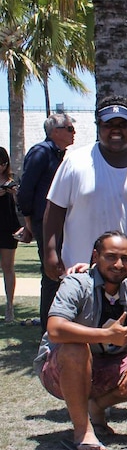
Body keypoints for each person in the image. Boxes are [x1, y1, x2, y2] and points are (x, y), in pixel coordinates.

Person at [34, 232, 127, 450]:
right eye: (111, 256)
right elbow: (54, 328)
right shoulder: (76, 283)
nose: (119, 264)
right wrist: (105, 336)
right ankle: (83, 431)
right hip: (60, 370)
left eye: (126, 258)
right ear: (96, 256)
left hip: (104, 368)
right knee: (76, 347)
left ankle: (98, 405)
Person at [42, 97, 127, 293]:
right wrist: (50, 253)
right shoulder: (75, 163)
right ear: (98, 126)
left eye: (122, 124)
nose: (116, 130)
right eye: (109, 124)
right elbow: (54, 211)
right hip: (80, 278)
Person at [17, 112, 76, 330]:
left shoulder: (61, 155)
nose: (74, 133)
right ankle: (49, 331)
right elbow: (25, 191)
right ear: (55, 132)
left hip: (60, 223)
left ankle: (60, 324)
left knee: (61, 274)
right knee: (52, 275)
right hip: (45, 223)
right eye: (69, 129)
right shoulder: (41, 152)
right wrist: (29, 223)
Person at [0, 147, 24, 323]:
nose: (1, 167)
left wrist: (15, 193)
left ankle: (10, 306)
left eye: (3, 163)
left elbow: (21, 204)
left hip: (8, 227)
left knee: (8, 267)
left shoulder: (12, 179)